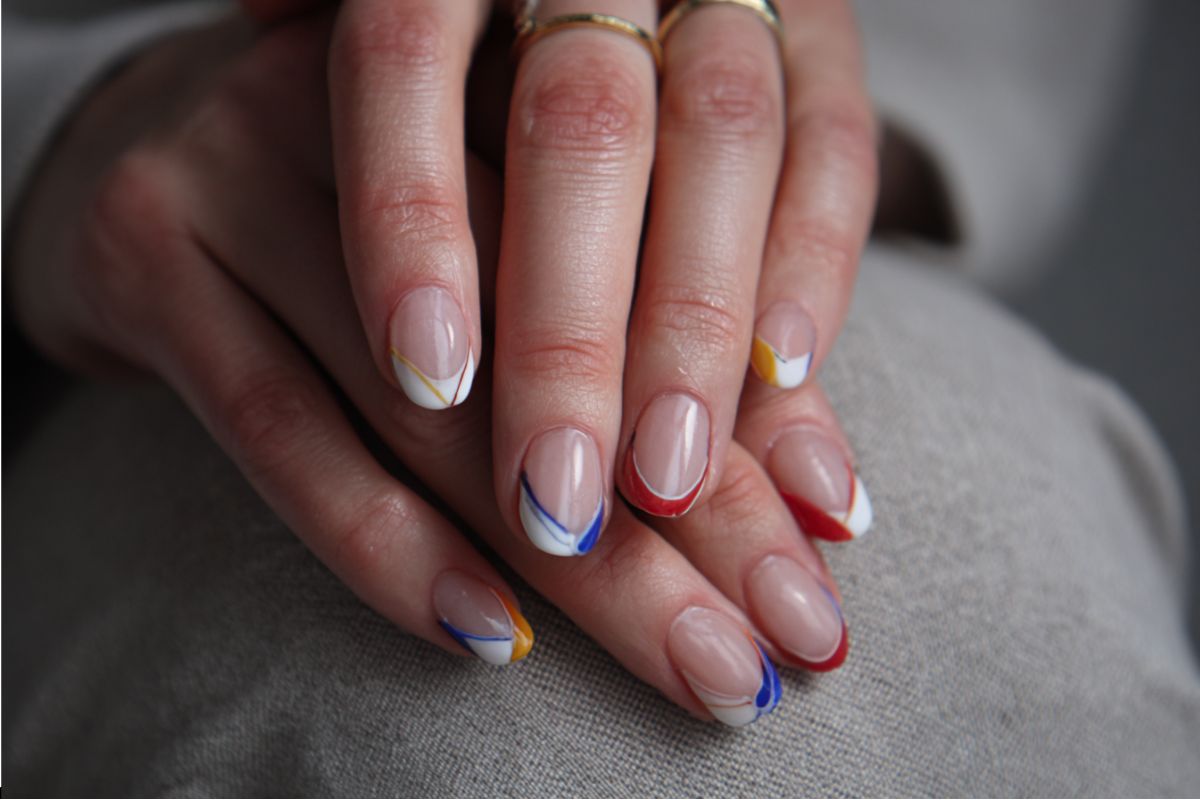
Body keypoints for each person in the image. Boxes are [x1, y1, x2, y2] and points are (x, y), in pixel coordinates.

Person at [4, 0, 1198, 795]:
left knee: (1007, 600)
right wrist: (68, 111)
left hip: (771, 129)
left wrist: (738, 86)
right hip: (141, 235)